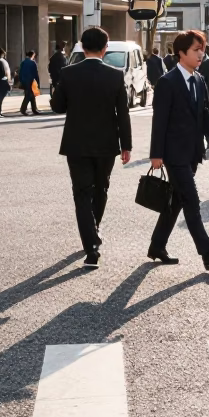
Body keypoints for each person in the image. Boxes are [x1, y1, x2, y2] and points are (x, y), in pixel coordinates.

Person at [147, 30, 209, 270]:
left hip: (192, 152)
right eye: (196, 49)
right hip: (173, 154)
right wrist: (156, 154)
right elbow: (159, 120)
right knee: (191, 200)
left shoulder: (199, 79)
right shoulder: (167, 81)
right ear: (181, 53)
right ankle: (207, 253)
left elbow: (205, 112)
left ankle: (157, 245)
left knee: (176, 201)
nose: (201, 53)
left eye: (202, 49)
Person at [51, 27, 132, 268]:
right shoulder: (116, 75)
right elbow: (123, 114)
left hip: (76, 143)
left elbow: (58, 106)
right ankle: (94, 232)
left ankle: (91, 246)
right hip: (107, 143)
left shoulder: (68, 73)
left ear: (82, 47)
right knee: (101, 188)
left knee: (81, 193)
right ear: (105, 48)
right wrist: (126, 145)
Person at [18, 50, 41, 115]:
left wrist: (21, 80)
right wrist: (38, 83)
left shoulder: (23, 62)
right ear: (33, 55)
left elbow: (20, 73)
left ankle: (34, 109)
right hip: (30, 81)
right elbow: (35, 74)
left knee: (31, 95)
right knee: (28, 95)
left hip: (24, 81)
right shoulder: (32, 63)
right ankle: (23, 109)